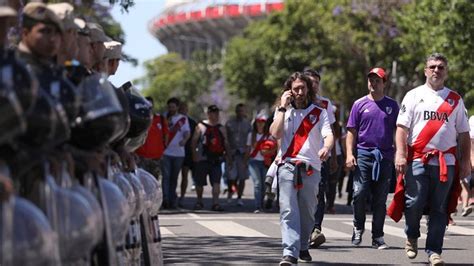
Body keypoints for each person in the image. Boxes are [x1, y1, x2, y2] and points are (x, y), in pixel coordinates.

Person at [390, 53, 470, 265]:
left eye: (441, 67)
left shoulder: (455, 99)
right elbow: (402, 128)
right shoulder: (413, 95)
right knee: (414, 202)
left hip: (446, 163)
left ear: (446, 71)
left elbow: (463, 133)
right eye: (432, 66)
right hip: (417, 160)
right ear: (426, 71)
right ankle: (412, 235)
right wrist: (400, 154)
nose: (436, 70)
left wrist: (465, 162)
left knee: (439, 207)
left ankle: (434, 250)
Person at [270, 72, 333, 265]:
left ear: (308, 89)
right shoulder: (283, 112)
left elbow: (329, 135)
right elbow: (275, 133)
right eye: (295, 88)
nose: (299, 92)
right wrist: (281, 107)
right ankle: (290, 252)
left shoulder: (319, 112)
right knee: (288, 210)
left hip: (311, 167)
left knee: (307, 211)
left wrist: (326, 147)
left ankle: (304, 245)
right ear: (289, 90)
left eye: (302, 88)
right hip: (287, 166)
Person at [345, 67, 399, 249]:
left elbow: (398, 132)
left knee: (380, 199)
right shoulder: (359, 104)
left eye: (378, 80)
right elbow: (351, 131)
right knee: (359, 193)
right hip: (363, 155)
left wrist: (399, 154)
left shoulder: (392, 106)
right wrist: (349, 154)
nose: (373, 83)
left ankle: (378, 236)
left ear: (384, 83)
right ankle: (358, 227)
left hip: (384, 157)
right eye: (371, 80)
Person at [303, 68, 337, 248]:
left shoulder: (325, 104)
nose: (314, 85)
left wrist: (333, 156)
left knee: (319, 192)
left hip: (321, 157)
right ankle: (304, 228)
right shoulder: (296, 103)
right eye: (310, 81)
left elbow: (332, 131)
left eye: (316, 82)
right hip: (300, 157)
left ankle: (315, 229)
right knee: (301, 194)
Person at [191, 105, 230, 211]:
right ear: (208, 114)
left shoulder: (204, 126)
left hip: (212, 158)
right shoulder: (204, 126)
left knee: (214, 182)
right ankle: (209, 202)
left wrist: (228, 156)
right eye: (213, 113)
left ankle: (211, 202)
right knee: (202, 182)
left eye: (216, 113)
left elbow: (194, 142)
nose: (215, 115)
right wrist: (194, 155)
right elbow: (194, 142)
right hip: (205, 159)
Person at [161, 97, 190, 209]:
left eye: (173, 107)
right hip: (166, 152)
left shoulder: (182, 119)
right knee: (166, 177)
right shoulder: (163, 117)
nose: (171, 109)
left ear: (177, 107)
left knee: (174, 177)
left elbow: (187, 132)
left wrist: (184, 140)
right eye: (169, 107)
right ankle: (165, 199)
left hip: (179, 153)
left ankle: (173, 199)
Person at [247, 113, 277, 213]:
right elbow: (248, 149)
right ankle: (257, 206)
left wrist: (268, 152)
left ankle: (262, 204)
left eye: (262, 122)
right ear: (255, 123)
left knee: (264, 185)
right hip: (253, 162)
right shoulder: (251, 135)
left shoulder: (269, 136)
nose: (260, 124)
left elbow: (275, 149)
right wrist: (244, 162)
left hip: (265, 162)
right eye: (258, 122)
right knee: (257, 183)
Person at [135, 97, 169, 182]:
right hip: (141, 156)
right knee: (142, 181)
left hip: (156, 157)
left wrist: (164, 148)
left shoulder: (160, 118)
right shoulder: (139, 117)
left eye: (150, 104)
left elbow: (166, 135)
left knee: (154, 180)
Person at [225, 103, 252, 206]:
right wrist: (227, 153)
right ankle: (230, 191)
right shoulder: (229, 123)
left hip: (243, 154)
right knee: (231, 176)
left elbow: (249, 141)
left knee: (242, 177)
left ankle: (239, 197)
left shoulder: (248, 124)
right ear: (235, 112)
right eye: (238, 111)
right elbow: (226, 139)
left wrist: (247, 155)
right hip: (231, 153)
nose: (240, 113)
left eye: (242, 111)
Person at [178, 101, 197, 207]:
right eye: (181, 109)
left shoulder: (191, 122)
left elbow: (195, 138)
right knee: (173, 176)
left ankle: (182, 196)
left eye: (185, 109)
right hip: (174, 152)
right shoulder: (172, 120)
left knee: (185, 174)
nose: (183, 111)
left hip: (187, 152)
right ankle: (171, 195)